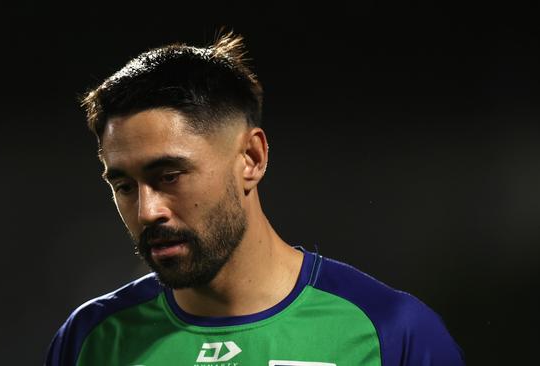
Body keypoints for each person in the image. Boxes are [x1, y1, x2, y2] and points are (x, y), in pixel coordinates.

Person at [45, 31, 465, 366]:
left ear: (251, 158)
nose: (147, 210)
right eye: (123, 185)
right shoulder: (90, 340)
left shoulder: (392, 333)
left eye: (169, 176)